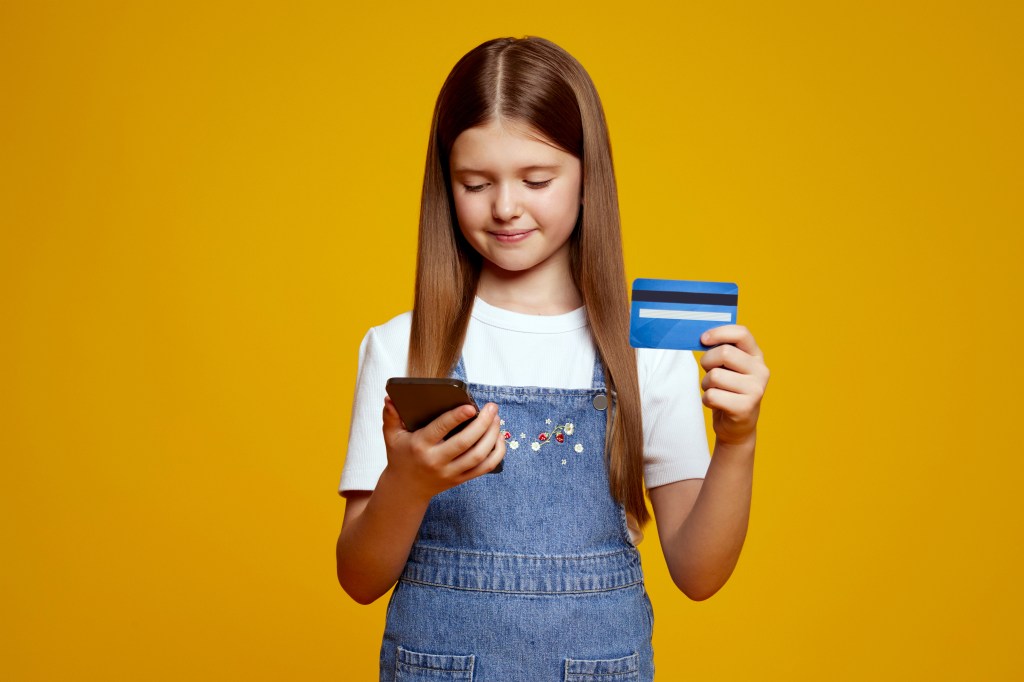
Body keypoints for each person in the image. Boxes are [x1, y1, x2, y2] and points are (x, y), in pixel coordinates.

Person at [335, 36, 770, 681]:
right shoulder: (403, 347)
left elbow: (699, 573)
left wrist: (738, 439)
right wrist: (410, 483)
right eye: (475, 183)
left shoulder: (643, 350)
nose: (505, 206)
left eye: (536, 180)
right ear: (444, 185)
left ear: (588, 174)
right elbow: (360, 578)